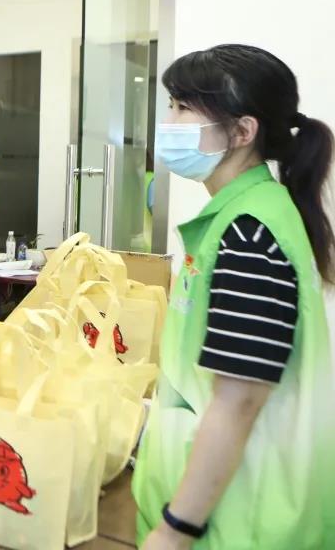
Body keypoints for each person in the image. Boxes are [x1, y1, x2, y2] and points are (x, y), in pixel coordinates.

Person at [133, 44, 335, 549]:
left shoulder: (248, 234)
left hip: (236, 525)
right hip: (223, 511)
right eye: (171, 104)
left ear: (243, 132)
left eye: (183, 107)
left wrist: (175, 530)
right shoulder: (245, 215)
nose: (169, 122)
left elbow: (239, 402)